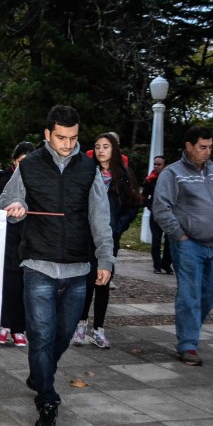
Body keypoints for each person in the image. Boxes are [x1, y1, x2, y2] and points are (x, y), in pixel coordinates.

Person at [0, 105, 114, 426]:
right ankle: (47, 400)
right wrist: (15, 208)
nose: (67, 144)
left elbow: (100, 216)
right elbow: (7, 201)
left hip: (78, 268)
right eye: (61, 137)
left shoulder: (89, 168)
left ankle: (40, 375)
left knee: (63, 335)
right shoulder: (30, 164)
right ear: (48, 135)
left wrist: (105, 259)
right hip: (38, 265)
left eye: (73, 138)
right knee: (41, 337)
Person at [153, 126, 213, 366]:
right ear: (188, 146)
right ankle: (187, 345)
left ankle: (190, 327)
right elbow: (161, 207)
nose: (207, 152)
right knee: (189, 293)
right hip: (189, 244)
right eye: (202, 147)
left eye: (210, 147)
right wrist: (179, 235)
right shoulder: (172, 173)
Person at [74, 133, 140, 348]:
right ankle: (81, 325)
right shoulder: (87, 173)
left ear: (114, 149)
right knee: (86, 281)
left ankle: (99, 329)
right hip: (87, 237)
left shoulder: (124, 175)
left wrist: (118, 226)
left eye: (106, 146)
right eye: (97, 146)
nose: (101, 150)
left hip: (109, 237)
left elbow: (132, 205)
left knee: (103, 281)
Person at [0, 141, 36, 347]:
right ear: (14, 161)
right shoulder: (3, 179)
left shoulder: (39, 182)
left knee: (25, 286)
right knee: (8, 284)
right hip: (8, 239)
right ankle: (3, 324)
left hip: (32, 241)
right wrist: (0, 217)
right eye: (22, 162)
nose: (25, 168)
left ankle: (20, 327)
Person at [142, 156, 173, 274]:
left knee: (170, 240)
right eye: (155, 164)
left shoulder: (170, 179)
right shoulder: (150, 180)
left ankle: (166, 264)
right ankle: (157, 265)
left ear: (164, 166)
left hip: (169, 214)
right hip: (155, 215)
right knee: (156, 240)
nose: (156, 166)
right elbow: (144, 197)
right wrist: (152, 207)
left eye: (159, 164)